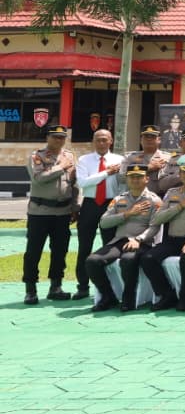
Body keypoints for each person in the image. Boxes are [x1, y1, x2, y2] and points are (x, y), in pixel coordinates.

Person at [140, 154, 185, 312]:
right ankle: (167, 295)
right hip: (172, 240)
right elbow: (158, 218)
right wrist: (181, 206)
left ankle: (184, 297)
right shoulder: (171, 193)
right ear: (179, 174)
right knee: (148, 258)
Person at [85, 164, 161, 312]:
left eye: (139, 177)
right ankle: (108, 297)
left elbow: (155, 227)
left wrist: (138, 239)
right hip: (119, 241)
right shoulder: (119, 199)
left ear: (146, 179)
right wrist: (127, 214)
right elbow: (104, 222)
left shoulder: (154, 200)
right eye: (132, 177)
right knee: (92, 261)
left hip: (142, 243)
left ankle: (128, 298)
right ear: (126, 179)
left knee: (128, 259)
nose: (135, 180)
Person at [23, 124, 78, 305]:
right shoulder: (37, 156)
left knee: (60, 251)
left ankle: (56, 287)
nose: (59, 140)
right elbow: (38, 178)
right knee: (34, 251)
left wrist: (75, 206)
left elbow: (74, 184)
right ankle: (30, 289)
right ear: (47, 137)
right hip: (40, 211)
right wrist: (60, 167)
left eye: (62, 137)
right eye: (55, 137)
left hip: (62, 212)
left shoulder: (69, 156)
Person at [72, 128, 123, 300]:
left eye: (104, 139)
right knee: (84, 247)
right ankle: (82, 286)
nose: (101, 143)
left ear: (111, 141)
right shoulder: (84, 160)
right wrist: (107, 172)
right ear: (93, 141)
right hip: (90, 204)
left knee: (110, 247)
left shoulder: (120, 160)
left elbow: (123, 185)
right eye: (98, 140)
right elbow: (83, 182)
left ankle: (111, 286)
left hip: (111, 205)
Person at [122, 124, 171, 197]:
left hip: (161, 196)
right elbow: (121, 177)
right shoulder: (130, 157)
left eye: (153, 137)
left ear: (159, 140)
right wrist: (147, 168)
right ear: (141, 140)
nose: (149, 139)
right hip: (135, 196)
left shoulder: (168, 158)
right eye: (146, 137)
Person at [154, 126, 185, 195]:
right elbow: (162, 185)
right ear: (180, 143)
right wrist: (181, 174)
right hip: (174, 198)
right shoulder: (170, 161)